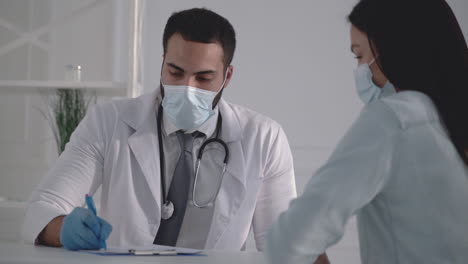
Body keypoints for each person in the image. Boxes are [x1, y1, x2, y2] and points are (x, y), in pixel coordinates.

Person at [22, 8, 296, 251]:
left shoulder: (264, 138)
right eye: (175, 73)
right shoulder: (109, 121)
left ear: (227, 76)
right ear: (162, 62)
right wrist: (63, 229)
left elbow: (282, 246)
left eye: (203, 77)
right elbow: (40, 211)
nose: (188, 88)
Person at [266, 0, 468, 263]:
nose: (360, 69)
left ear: (395, 51)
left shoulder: (394, 119)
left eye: (359, 55)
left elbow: (289, 240)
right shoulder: (450, 122)